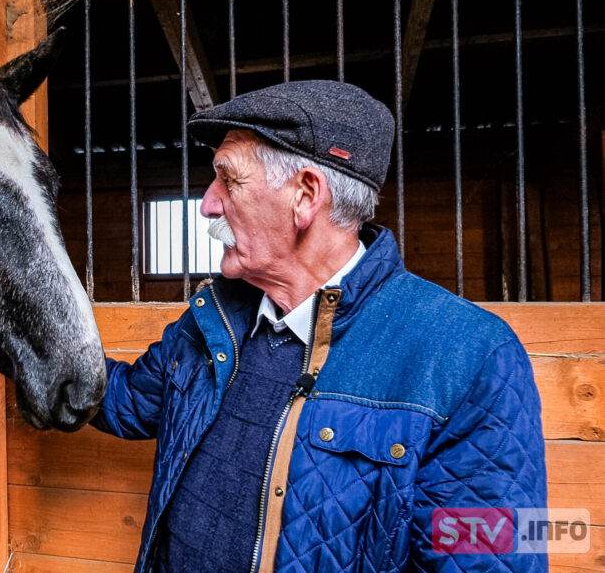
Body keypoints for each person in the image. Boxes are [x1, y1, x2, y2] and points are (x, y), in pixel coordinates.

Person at [92, 80, 547, 573]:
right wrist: (17, 327)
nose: (208, 203)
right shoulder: (214, 319)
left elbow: (489, 557)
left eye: (229, 180)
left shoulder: (468, 355)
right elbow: (126, 403)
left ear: (305, 196)